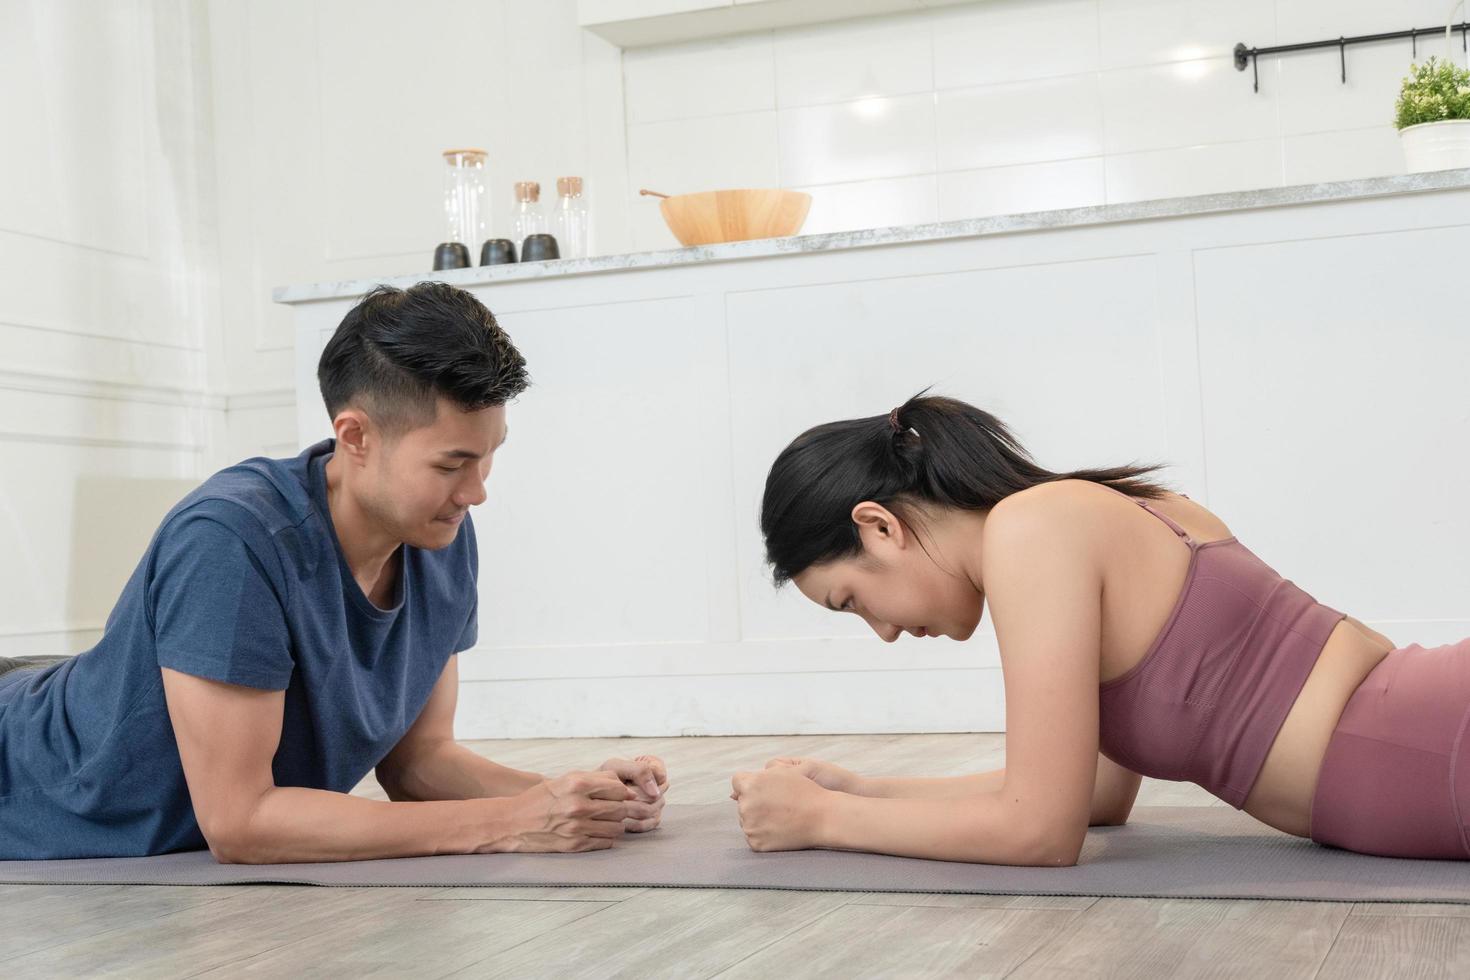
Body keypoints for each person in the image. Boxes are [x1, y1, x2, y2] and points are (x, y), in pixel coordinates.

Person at [0, 283, 666, 862]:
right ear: (355, 436)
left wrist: (577, 797)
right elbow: (240, 822)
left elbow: (419, 763)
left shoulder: (441, 533)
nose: (476, 491)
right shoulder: (230, 541)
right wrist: (510, 824)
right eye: (450, 464)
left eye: (488, 457)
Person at [731, 393, 1470, 865]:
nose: (883, 633)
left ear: (881, 526)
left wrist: (824, 820)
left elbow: (1040, 833)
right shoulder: (1090, 510)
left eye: (852, 600)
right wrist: (864, 790)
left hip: (1437, 741)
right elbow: (1092, 798)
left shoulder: (1032, 531)